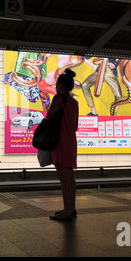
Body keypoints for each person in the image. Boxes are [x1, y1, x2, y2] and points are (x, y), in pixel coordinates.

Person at [46, 68, 79, 221]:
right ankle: (71, 208)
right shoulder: (74, 102)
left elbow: (49, 117)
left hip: (60, 141)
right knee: (70, 177)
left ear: (60, 85)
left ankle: (66, 210)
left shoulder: (59, 99)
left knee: (63, 179)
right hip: (71, 141)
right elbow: (75, 126)